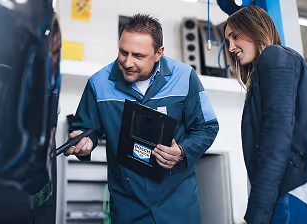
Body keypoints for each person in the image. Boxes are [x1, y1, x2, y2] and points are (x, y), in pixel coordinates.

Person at [63, 14, 219, 224]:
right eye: (123, 52)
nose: (128, 62)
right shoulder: (98, 84)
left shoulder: (185, 77)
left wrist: (182, 152)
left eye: (138, 55)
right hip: (128, 205)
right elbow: (86, 130)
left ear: (158, 53)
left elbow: (207, 127)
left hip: (177, 203)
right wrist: (84, 144)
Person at [224, 5, 307, 224]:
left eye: (235, 36)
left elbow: (276, 135)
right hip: (296, 190)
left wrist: (257, 212)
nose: (231, 47)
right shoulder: (268, 69)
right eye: (227, 41)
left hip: (299, 192)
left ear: (256, 29)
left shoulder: (274, 55)